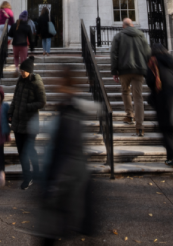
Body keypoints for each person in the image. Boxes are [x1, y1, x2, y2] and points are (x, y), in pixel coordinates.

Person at [34, 66, 99, 245]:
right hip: (65, 180)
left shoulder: (70, 112)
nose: (54, 85)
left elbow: (68, 152)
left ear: (65, 84)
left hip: (65, 182)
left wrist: (54, 184)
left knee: (52, 234)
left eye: (58, 81)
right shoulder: (68, 108)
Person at [145, 43, 173, 169]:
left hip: (164, 98)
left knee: (164, 129)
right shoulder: (172, 62)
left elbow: (149, 80)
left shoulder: (153, 62)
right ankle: (171, 158)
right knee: (171, 130)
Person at [8, 55, 46, 190]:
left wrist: (27, 106)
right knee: (22, 151)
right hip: (18, 122)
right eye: (20, 70)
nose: (21, 72)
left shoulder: (36, 82)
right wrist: (10, 113)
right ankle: (29, 175)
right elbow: (15, 99)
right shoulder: (20, 80)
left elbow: (42, 102)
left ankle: (32, 176)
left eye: (23, 70)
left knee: (29, 151)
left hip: (30, 123)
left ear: (29, 70)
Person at [110, 18, 151, 136]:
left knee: (125, 91)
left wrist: (114, 71)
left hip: (124, 70)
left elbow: (114, 54)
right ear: (132, 25)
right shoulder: (141, 35)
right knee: (138, 98)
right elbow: (148, 52)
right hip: (139, 70)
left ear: (123, 26)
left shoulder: (118, 36)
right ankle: (140, 127)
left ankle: (129, 115)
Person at [8, 11, 34, 75]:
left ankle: (16, 68)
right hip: (23, 45)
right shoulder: (27, 26)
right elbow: (31, 38)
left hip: (15, 44)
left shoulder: (14, 25)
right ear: (26, 18)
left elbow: (10, 34)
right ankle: (22, 71)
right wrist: (32, 48)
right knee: (23, 59)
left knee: (16, 57)